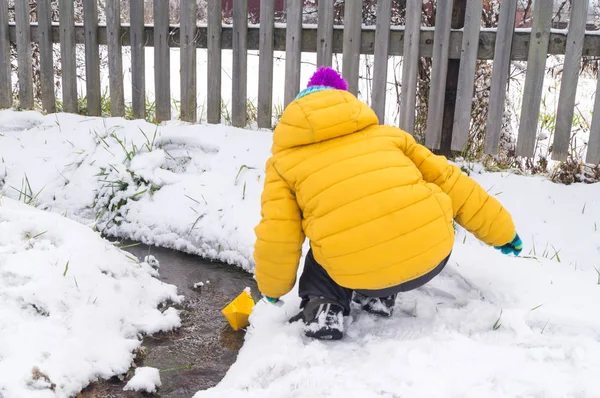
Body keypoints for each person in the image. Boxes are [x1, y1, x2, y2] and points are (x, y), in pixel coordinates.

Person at [253, 67, 522, 340]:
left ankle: (324, 306)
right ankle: (380, 297)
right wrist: (502, 232)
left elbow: (279, 232)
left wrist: (273, 287)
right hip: (431, 255)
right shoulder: (390, 137)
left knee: (329, 232)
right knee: (393, 210)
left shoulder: (285, 164)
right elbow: (452, 182)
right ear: (347, 104)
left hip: (358, 269)